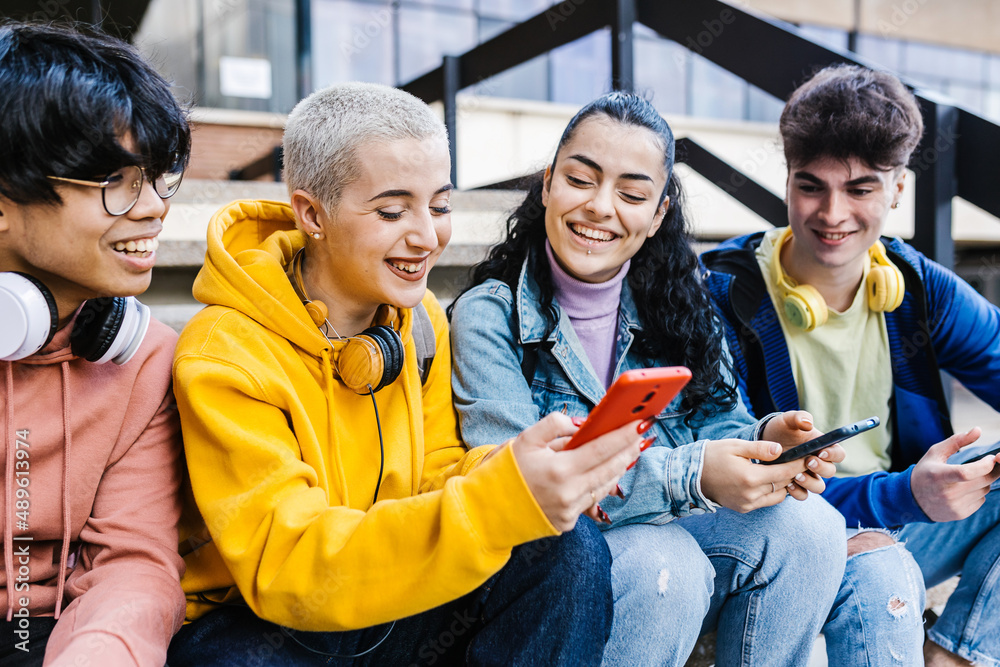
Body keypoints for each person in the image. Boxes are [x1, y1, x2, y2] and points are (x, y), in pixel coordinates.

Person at [167, 82, 643, 666]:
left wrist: (513, 467)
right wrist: (499, 503)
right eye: (392, 211)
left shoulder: (420, 324)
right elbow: (290, 568)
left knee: (566, 549)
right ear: (311, 213)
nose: (427, 236)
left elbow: (439, 469)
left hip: (393, 599)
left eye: (440, 205)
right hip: (261, 622)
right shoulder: (222, 354)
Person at [449, 91, 849, 666]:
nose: (600, 208)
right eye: (580, 180)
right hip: (563, 567)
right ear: (547, 185)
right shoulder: (490, 315)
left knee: (812, 527)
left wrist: (767, 444)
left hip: (675, 532)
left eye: (632, 194)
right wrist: (692, 476)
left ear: (658, 213)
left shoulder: (679, 301)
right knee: (667, 562)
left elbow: (720, 421)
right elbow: (514, 484)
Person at [702, 64, 1000, 666]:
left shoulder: (917, 288)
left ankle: (955, 656)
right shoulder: (718, 293)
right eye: (811, 186)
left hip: (902, 513)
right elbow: (746, 493)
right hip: (780, 533)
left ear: (897, 190)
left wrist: (911, 498)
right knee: (876, 574)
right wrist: (904, 496)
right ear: (786, 180)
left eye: (861, 189)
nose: (832, 213)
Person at [0, 21, 190, 667]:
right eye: (116, 180)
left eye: (160, 176)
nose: (153, 208)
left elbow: (134, 565)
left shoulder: (144, 357)